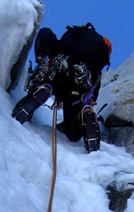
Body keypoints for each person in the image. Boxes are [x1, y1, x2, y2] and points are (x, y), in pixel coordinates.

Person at [12, 23, 112, 152]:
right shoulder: (94, 68)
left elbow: (46, 34)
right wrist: (87, 104)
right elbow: (92, 93)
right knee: (74, 133)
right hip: (76, 88)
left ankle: (44, 85)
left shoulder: (70, 40)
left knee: (48, 75)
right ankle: (82, 115)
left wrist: (45, 54)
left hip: (58, 70)